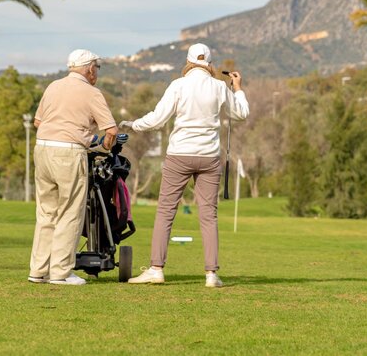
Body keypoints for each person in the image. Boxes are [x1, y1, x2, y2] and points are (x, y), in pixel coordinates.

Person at [122, 43, 249, 288]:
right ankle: (212, 275)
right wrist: (238, 88)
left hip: (179, 154)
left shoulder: (178, 85)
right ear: (210, 64)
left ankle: (156, 269)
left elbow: (157, 119)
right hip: (209, 157)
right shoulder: (219, 86)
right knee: (209, 216)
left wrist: (132, 124)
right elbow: (241, 113)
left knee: (166, 212)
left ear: (189, 61)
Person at [28, 49, 117, 286]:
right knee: (70, 212)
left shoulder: (53, 86)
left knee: (46, 212)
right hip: (68, 153)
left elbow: (38, 121)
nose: (96, 72)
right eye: (96, 68)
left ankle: (38, 270)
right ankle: (60, 273)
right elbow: (111, 131)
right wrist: (105, 148)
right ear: (89, 69)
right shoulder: (92, 92)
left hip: (43, 149)